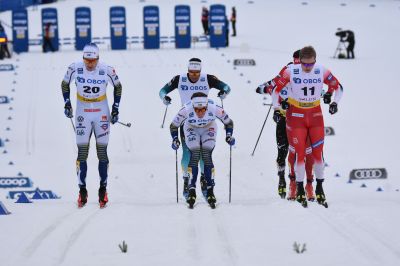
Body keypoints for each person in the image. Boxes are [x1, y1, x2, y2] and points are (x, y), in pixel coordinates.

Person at [271, 46, 343, 207]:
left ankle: (318, 187)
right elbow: (275, 90)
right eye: (305, 64)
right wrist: (277, 108)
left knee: (317, 155)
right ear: (300, 62)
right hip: (295, 117)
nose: (308, 68)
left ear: (315, 61)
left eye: (311, 64)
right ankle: (298, 188)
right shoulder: (291, 71)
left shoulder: (321, 70)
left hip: (316, 116)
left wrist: (334, 103)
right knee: (299, 153)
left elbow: (339, 87)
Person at [159, 58, 231, 200]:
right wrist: (164, 98)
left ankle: (205, 179)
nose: (194, 75)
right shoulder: (179, 79)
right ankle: (187, 180)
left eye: (196, 73)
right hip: (187, 120)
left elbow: (226, 87)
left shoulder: (208, 79)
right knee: (188, 154)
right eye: (191, 72)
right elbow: (162, 90)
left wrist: (224, 92)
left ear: (200, 71)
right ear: (187, 71)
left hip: (205, 119)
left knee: (205, 154)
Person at [61, 43, 122, 208]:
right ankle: (82, 189)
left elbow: (118, 86)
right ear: (83, 58)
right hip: (82, 113)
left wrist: (115, 109)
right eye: (87, 60)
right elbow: (65, 83)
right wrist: (67, 103)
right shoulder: (75, 68)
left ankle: (103, 189)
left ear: (98, 58)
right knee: (82, 152)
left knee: (102, 152)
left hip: (101, 112)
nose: (89, 64)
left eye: (93, 60)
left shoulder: (106, 70)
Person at [256, 50, 315, 201]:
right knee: (283, 151)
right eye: (297, 62)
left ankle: (306, 184)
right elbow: (272, 84)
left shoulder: (312, 72)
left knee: (306, 152)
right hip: (284, 117)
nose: (299, 66)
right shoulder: (286, 70)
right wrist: (266, 88)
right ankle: (282, 179)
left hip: (304, 118)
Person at [169, 92, 235, 208]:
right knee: (194, 154)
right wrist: (175, 139)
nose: (200, 112)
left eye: (203, 109)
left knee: (206, 154)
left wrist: (229, 136)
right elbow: (174, 125)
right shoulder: (186, 109)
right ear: (193, 107)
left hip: (209, 127)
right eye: (197, 110)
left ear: (206, 106)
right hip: (191, 128)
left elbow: (228, 122)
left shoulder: (214, 108)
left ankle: (210, 190)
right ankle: (192, 190)